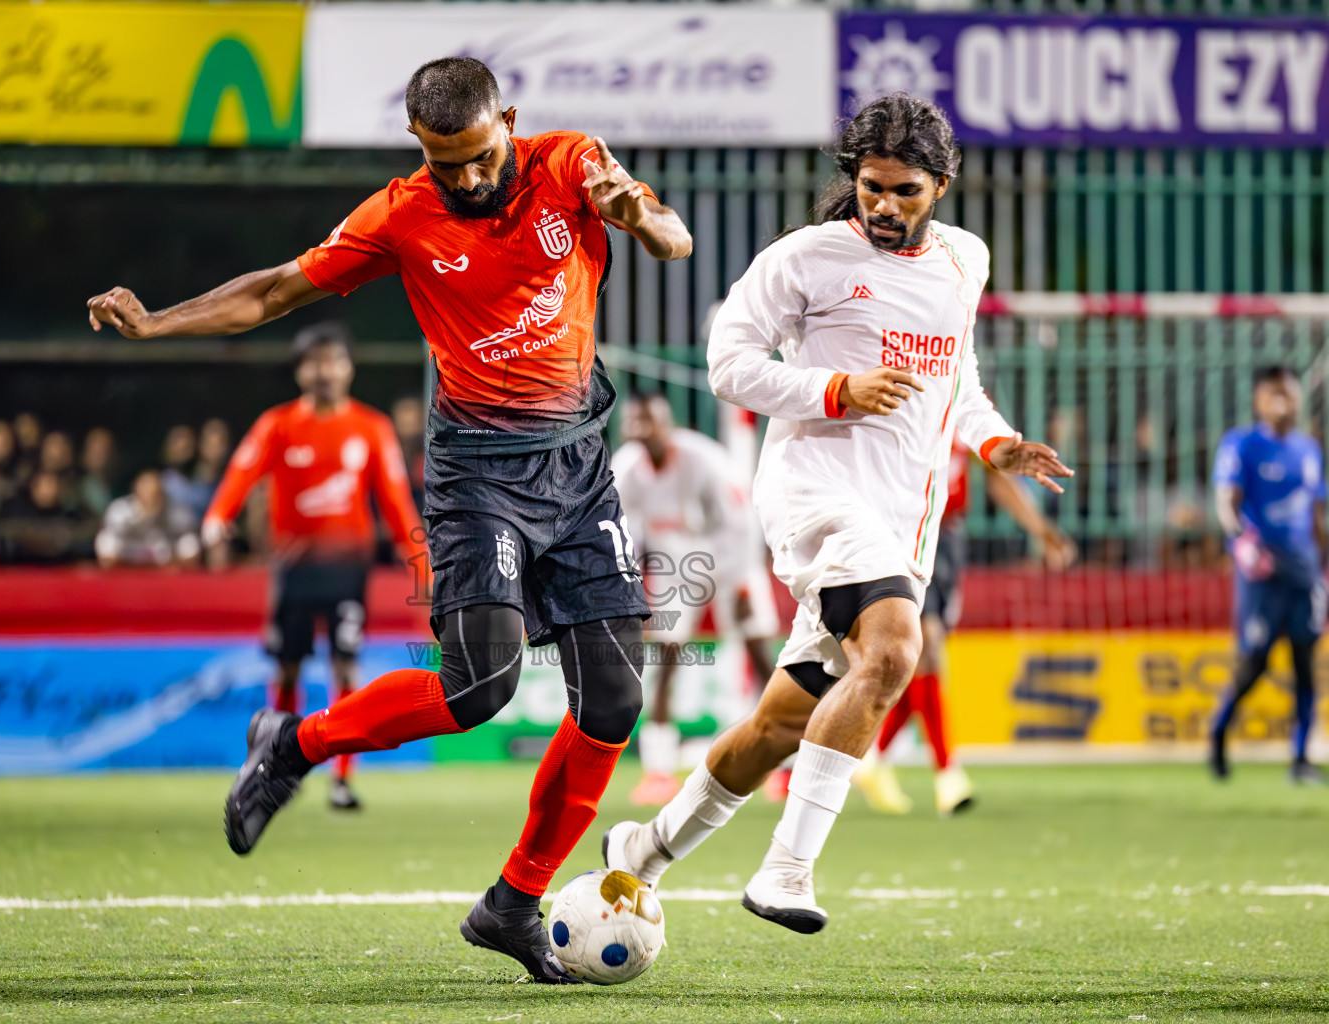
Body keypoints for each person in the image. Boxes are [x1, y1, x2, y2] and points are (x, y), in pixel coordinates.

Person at [87, 56, 690, 982]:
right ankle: (294, 742)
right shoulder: (400, 214)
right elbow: (275, 291)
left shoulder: (572, 164)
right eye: (446, 163)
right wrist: (158, 323)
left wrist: (636, 212)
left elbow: (673, 239)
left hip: (576, 471)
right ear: (420, 145)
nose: (467, 179)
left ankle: (513, 906)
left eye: (481, 157)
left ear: (510, 123)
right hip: (477, 478)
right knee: (478, 686)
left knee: (614, 701)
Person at [602, 94, 1070, 934]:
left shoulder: (966, 260)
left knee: (782, 721)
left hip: (903, 522)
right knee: (894, 650)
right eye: (872, 187)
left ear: (944, 185)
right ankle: (787, 870)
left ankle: (643, 849)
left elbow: (952, 379)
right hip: (816, 492)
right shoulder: (807, 258)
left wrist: (995, 441)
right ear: (853, 179)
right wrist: (833, 389)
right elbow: (727, 367)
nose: (885, 206)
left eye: (906, 192)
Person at [202, 323, 424, 812]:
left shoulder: (371, 428)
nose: (324, 371)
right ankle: (275, 767)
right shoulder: (277, 424)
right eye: (314, 361)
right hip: (293, 571)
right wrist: (217, 518)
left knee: (345, 666)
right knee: (287, 666)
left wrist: (421, 563)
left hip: (348, 570)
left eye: (334, 360)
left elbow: (396, 502)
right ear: (300, 370)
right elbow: (242, 473)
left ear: (349, 367)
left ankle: (341, 778)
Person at [852, 439, 1076, 816]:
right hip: (906, 533)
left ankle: (871, 759)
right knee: (928, 651)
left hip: (949, 539)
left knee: (917, 659)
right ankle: (947, 774)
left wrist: (1040, 529)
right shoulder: (902, 393)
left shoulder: (966, 404)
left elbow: (997, 476)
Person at [611, 392, 779, 806]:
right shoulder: (626, 468)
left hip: (730, 556)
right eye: (633, 421)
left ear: (666, 423)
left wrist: (740, 585)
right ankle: (658, 770)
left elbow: (741, 525)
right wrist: (631, 586)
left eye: (647, 419)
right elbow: (624, 534)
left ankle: (785, 766)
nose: (639, 429)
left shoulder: (706, 460)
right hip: (675, 559)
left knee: (759, 652)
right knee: (666, 657)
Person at [1210, 365, 1326, 785]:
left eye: (1288, 393)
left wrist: (1324, 564)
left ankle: (1300, 759)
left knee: (1305, 663)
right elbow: (1227, 500)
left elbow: (1316, 514)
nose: (1281, 401)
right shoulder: (1242, 444)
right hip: (1262, 569)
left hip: (1304, 570)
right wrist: (1240, 541)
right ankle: (1219, 731)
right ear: (1259, 399)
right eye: (1273, 393)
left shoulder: (1309, 449)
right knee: (1255, 661)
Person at [94, 469, 202, 569]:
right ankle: (113, 575)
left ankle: (182, 578)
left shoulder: (175, 511)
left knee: (189, 543)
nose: (152, 496)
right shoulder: (120, 509)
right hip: (132, 551)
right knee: (106, 540)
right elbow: (112, 534)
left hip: (163, 552)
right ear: (137, 491)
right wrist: (143, 517)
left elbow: (188, 532)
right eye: (148, 491)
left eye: (156, 493)